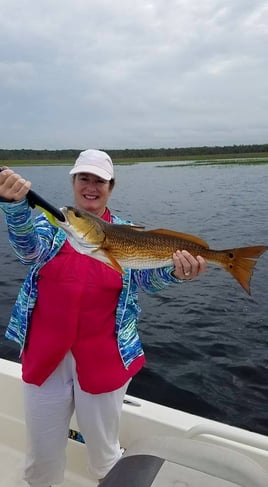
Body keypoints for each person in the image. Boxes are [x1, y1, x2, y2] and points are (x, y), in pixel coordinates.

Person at [0, 149, 207, 486]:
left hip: (105, 358)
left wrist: (177, 274)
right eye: (84, 178)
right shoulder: (51, 223)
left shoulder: (126, 232)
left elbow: (145, 280)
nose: (91, 186)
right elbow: (28, 251)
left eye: (100, 180)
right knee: (41, 457)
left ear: (112, 186)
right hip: (44, 355)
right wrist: (12, 206)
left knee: (104, 455)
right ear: (73, 182)